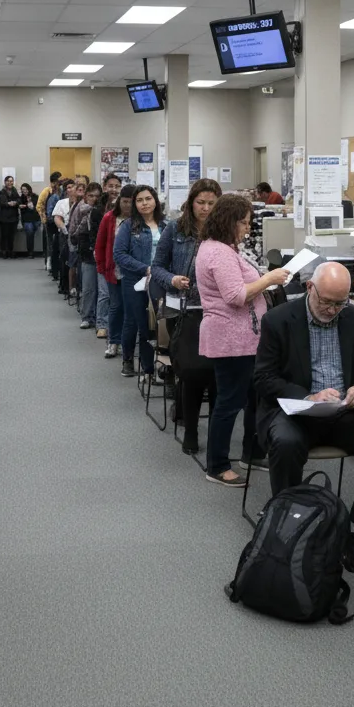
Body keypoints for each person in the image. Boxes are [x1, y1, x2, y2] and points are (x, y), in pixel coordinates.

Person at [254, 261, 354, 573]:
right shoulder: (278, 320)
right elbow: (263, 379)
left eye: (340, 303)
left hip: (344, 414)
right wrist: (307, 396)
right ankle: (289, 525)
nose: (332, 310)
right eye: (326, 302)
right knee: (286, 443)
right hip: (296, 414)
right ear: (309, 288)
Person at [195, 194, 290, 487]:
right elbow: (235, 295)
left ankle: (252, 453)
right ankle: (218, 465)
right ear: (229, 222)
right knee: (229, 402)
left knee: (253, 398)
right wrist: (270, 279)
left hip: (245, 338)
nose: (247, 228)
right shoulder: (218, 253)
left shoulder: (224, 248)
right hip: (231, 340)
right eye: (244, 223)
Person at [151, 178, 221, 454]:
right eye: (200, 203)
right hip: (182, 310)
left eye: (211, 204)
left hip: (216, 311)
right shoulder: (175, 229)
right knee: (193, 373)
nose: (205, 209)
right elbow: (156, 267)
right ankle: (190, 429)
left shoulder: (223, 232)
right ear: (190, 203)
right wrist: (173, 279)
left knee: (217, 375)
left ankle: (215, 431)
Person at [113, 185, 164, 379]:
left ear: (155, 201)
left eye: (148, 199)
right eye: (140, 200)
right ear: (135, 204)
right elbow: (119, 254)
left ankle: (149, 367)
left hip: (159, 282)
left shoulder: (165, 225)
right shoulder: (128, 226)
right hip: (134, 281)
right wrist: (145, 268)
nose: (144, 203)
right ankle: (132, 361)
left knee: (154, 325)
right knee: (137, 322)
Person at [96, 184, 131, 359]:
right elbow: (100, 244)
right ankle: (113, 341)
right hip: (113, 271)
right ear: (119, 201)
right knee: (116, 306)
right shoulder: (109, 218)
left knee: (131, 309)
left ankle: (128, 344)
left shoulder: (139, 220)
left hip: (133, 273)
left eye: (132, 202)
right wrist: (101, 266)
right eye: (125, 202)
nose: (128, 206)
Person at [94, 175, 123, 336]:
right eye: (110, 186)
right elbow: (98, 238)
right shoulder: (99, 208)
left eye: (117, 186)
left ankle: (116, 328)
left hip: (121, 261)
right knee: (104, 294)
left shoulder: (126, 209)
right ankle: (102, 324)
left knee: (118, 299)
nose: (114, 189)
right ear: (104, 187)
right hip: (105, 257)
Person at [75, 182, 103, 329]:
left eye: (97, 196)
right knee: (88, 287)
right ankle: (86, 316)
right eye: (91, 196)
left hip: (101, 253)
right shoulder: (80, 209)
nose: (94, 199)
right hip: (86, 252)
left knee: (101, 289)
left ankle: (99, 317)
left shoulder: (102, 210)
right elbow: (75, 228)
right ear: (86, 196)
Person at [37, 171, 62, 268]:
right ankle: (47, 262)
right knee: (49, 242)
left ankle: (54, 262)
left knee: (55, 242)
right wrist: (44, 218)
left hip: (58, 219)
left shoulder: (60, 191)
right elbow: (39, 206)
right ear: (54, 181)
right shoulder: (46, 191)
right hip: (48, 220)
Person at [0, 175, 21, 258]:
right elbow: (2, 203)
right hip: (4, 218)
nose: (10, 182)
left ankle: (10, 251)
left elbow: (19, 200)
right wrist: (8, 203)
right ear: (5, 182)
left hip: (13, 217)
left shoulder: (15, 190)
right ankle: (4, 252)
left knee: (11, 236)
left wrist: (15, 203)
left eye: (11, 181)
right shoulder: (2, 192)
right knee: (4, 235)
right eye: (8, 181)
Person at [19, 183, 40, 258]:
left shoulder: (35, 196)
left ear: (29, 189)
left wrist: (31, 205)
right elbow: (19, 207)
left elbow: (38, 207)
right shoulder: (21, 198)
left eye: (25, 189)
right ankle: (30, 252)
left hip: (36, 218)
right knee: (30, 234)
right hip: (27, 219)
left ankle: (31, 251)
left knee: (31, 234)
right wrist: (22, 206)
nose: (24, 191)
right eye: (22, 190)